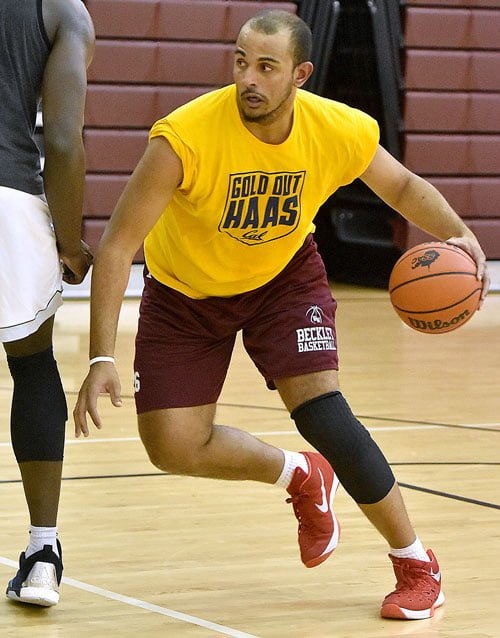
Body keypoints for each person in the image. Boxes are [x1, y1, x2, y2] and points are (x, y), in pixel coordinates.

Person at [73, 10, 489, 620]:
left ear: (300, 74)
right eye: (241, 61)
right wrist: (102, 355)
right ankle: (299, 476)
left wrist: (459, 234)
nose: (249, 78)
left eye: (266, 67)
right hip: (186, 294)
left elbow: (400, 188)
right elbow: (116, 244)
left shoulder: (335, 128)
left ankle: (415, 562)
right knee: (173, 447)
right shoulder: (184, 137)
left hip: (283, 280)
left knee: (323, 409)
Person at [1, 0, 95, 607]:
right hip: (8, 198)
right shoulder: (62, 10)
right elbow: (62, 140)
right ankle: (42, 553)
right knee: (33, 363)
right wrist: (68, 239)